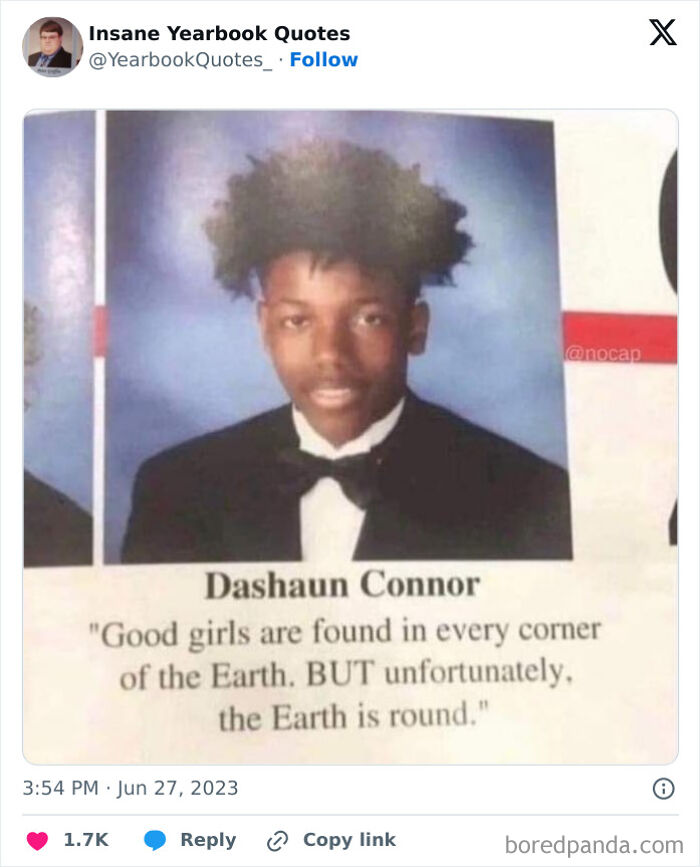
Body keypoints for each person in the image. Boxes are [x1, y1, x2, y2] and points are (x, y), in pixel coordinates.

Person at [122, 139, 571, 563]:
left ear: (415, 327)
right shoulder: (176, 488)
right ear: (265, 329)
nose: (330, 355)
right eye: (297, 321)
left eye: (366, 318)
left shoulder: (526, 496)